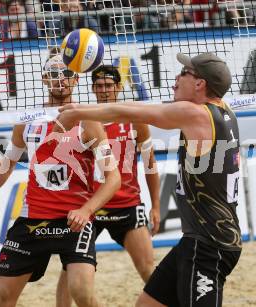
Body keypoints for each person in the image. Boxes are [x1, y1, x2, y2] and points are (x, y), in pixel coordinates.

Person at [57, 52, 242, 307]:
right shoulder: (224, 111)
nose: (176, 78)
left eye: (185, 73)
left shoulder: (195, 113)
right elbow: (139, 109)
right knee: (147, 303)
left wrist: (78, 110)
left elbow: (134, 112)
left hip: (210, 245)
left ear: (200, 84)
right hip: (197, 239)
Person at [0, 53, 121, 307]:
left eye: (68, 75)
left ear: (76, 81)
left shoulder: (88, 120)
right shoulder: (27, 121)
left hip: (73, 221)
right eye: (54, 74)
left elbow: (113, 178)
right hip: (33, 218)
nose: (61, 80)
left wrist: (86, 210)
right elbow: (7, 161)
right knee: (1, 298)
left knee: (82, 292)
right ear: (43, 79)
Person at [55, 65, 161, 307]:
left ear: (118, 88)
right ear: (92, 89)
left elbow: (150, 165)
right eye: (99, 86)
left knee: (147, 269)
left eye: (109, 86)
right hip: (89, 207)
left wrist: (155, 206)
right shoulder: (83, 119)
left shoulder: (135, 119)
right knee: (69, 270)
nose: (104, 90)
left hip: (126, 205)